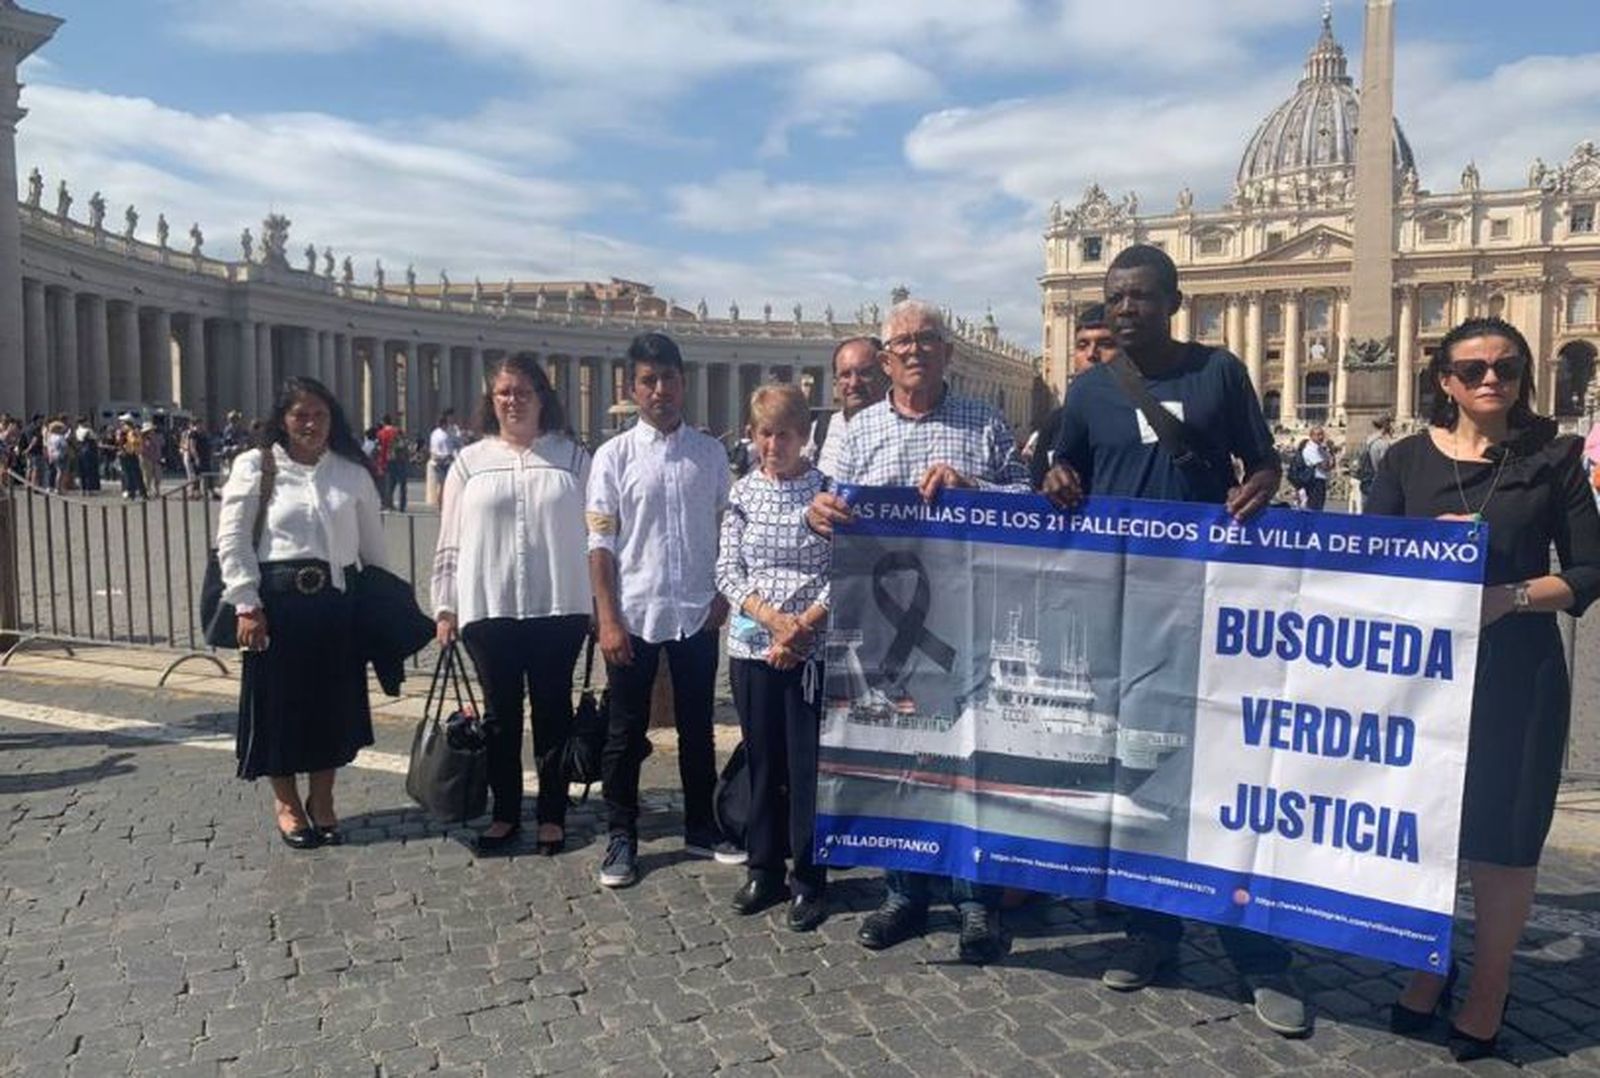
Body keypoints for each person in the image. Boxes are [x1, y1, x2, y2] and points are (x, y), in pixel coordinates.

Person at [1040, 244, 1301, 1035]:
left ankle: (1257, 953)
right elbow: (1061, 478)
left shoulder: (1218, 372)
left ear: (1174, 302)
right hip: (1124, 615)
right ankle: (1150, 929)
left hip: (1211, 613)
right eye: (1116, 296)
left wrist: (1261, 482)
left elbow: (1263, 464)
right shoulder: (1088, 389)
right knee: (1139, 778)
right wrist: (1052, 479)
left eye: (1142, 297)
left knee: (1225, 777)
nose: (1126, 308)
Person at [1366, 316, 1600, 1062]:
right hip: (1423, 673)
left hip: (1517, 671)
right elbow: (1367, 561)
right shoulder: (1404, 460)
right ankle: (1429, 962)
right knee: (1426, 830)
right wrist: (1421, 553)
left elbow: (1591, 569)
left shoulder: (1556, 457)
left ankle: (1491, 984)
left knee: (1502, 839)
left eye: (1506, 365)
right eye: (1472, 369)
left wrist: (1510, 598)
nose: (1491, 378)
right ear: (1445, 382)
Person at [806, 298, 1028, 965]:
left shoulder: (984, 422)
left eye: (926, 340)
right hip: (884, 623)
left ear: (947, 352)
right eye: (901, 342)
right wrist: (816, 513)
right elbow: (823, 508)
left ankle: (975, 901)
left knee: (970, 757)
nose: (913, 351)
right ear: (883, 356)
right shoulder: (853, 431)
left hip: (967, 618)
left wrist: (973, 489)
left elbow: (1026, 505)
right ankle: (903, 893)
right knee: (896, 754)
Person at [588, 332, 737, 888]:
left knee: (698, 727)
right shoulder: (613, 457)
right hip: (633, 613)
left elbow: (730, 530)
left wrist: (724, 592)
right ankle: (621, 834)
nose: (660, 390)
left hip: (697, 611)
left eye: (668, 378)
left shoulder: (711, 452)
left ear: (683, 381)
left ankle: (701, 823)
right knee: (625, 732)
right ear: (633, 388)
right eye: (648, 380)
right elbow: (599, 545)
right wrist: (606, 618)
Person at [216, 376, 387, 849]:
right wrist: (246, 602)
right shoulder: (256, 466)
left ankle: (324, 798)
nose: (310, 423)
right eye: (300, 415)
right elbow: (232, 539)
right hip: (277, 607)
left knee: (331, 707)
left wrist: (380, 603)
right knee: (281, 709)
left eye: (319, 414)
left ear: (333, 419)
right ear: (283, 420)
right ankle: (288, 803)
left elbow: (373, 547)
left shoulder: (352, 472)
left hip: (336, 605)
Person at [432, 356, 592, 857]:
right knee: (500, 716)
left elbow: (599, 535)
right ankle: (503, 813)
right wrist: (444, 606)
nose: (513, 400)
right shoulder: (468, 461)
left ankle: (551, 814)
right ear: (491, 399)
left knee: (553, 712)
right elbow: (450, 538)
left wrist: (601, 603)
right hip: (488, 603)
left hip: (559, 603)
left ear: (543, 396)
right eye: (504, 392)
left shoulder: (573, 458)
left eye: (523, 391)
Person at [716, 383, 832, 932]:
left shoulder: (826, 492)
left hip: (808, 650)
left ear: (804, 436)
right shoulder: (741, 494)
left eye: (783, 433)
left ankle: (809, 877)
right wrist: (771, 619)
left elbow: (842, 572)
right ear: (753, 434)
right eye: (764, 432)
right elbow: (727, 572)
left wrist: (801, 628)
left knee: (806, 768)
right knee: (763, 762)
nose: (772, 444)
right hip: (752, 644)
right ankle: (764, 868)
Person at [1028, 304, 1115, 489]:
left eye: (1106, 344)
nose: (1092, 354)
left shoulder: (1139, 418)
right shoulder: (1056, 422)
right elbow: (1035, 488)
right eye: (1082, 345)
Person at [809, 336, 888, 480]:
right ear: (835, 382)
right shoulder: (820, 430)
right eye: (845, 375)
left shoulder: (905, 429)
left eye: (865, 373)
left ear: (886, 375)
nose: (854, 383)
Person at [1350, 413, 1394, 513]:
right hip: (1376, 482)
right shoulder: (1381, 443)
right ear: (1386, 425)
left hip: (1366, 480)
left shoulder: (1368, 441)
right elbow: (1382, 466)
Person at [426, 410, 462, 508]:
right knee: (442, 484)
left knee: (446, 484)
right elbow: (435, 450)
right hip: (441, 462)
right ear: (443, 424)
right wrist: (445, 455)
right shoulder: (439, 434)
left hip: (447, 461)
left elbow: (455, 443)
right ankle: (441, 504)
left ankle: (444, 503)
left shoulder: (443, 432)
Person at [1298, 425, 1332, 511]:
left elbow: (1331, 464)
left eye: (1322, 434)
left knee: (1319, 507)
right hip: (1314, 481)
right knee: (1314, 508)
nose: (1321, 437)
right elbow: (1323, 466)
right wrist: (1327, 460)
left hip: (1321, 481)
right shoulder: (1310, 449)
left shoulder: (1321, 449)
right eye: (1318, 435)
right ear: (1312, 436)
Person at [374, 415, 401, 510]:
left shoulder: (380, 433)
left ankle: (386, 503)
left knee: (384, 482)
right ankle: (391, 502)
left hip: (384, 460)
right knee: (393, 482)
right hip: (395, 459)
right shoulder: (396, 431)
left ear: (383, 422)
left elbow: (378, 448)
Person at [117, 417, 146, 500]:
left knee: (130, 474)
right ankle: (138, 493)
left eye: (123, 423)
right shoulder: (129, 432)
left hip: (128, 453)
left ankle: (134, 493)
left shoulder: (130, 432)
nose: (122, 425)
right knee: (133, 474)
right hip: (130, 453)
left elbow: (133, 441)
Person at [74, 415, 101, 493]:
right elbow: (95, 438)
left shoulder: (77, 430)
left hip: (80, 450)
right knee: (89, 470)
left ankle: (83, 488)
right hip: (88, 450)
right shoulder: (88, 430)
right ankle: (89, 488)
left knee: (82, 471)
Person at [139, 421, 164, 497]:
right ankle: (147, 491)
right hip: (146, 459)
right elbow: (143, 450)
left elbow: (161, 445)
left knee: (158, 476)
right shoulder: (143, 439)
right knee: (147, 476)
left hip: (156, 459)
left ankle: (157, 491)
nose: (152, 431)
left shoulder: (156, 437)